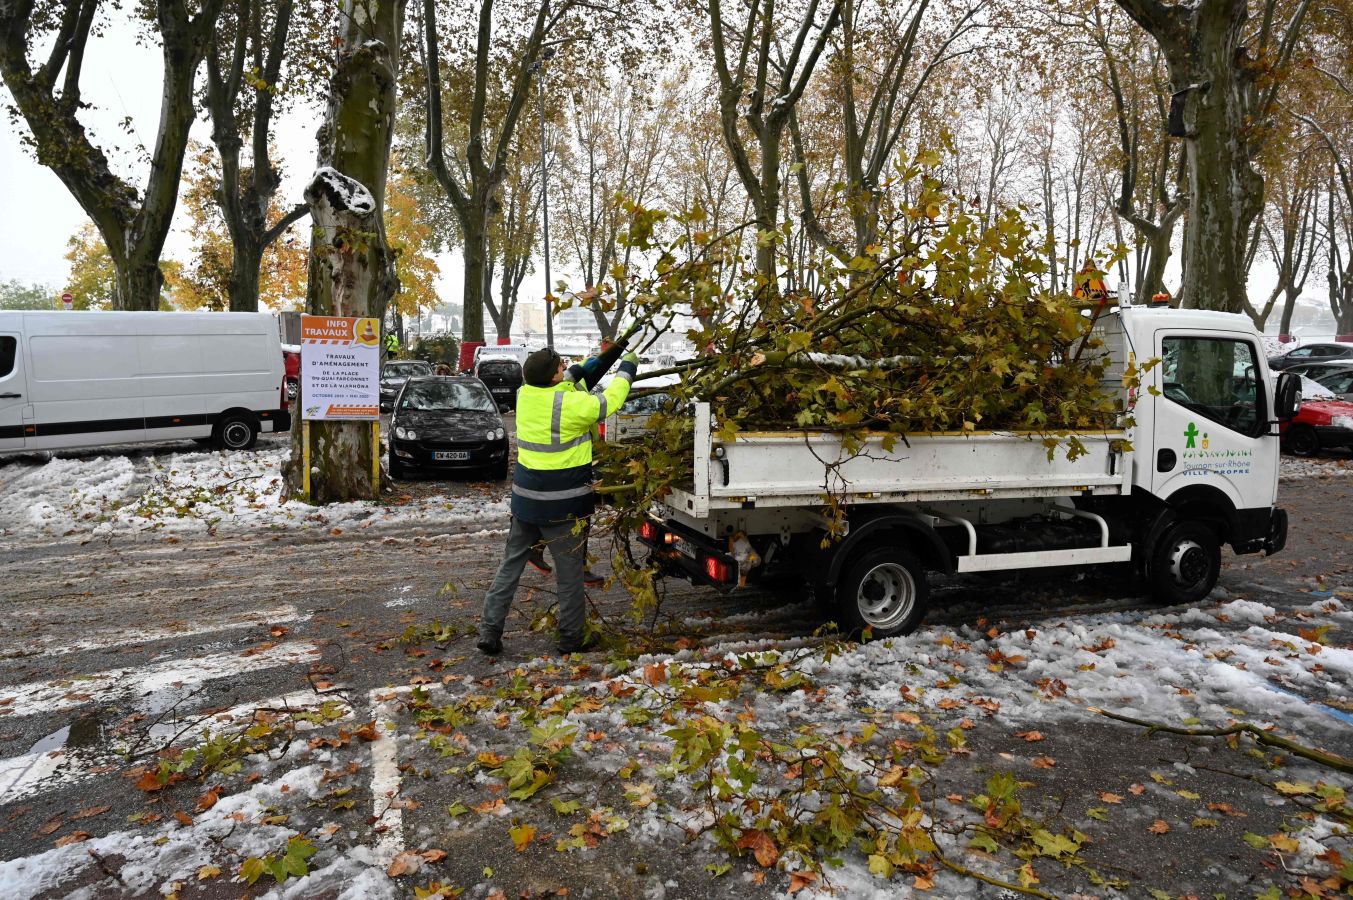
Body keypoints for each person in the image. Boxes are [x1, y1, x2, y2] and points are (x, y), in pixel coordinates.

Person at [477, 343, 638, 656]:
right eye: (560, 368)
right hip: (563, 507)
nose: (566, 370)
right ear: (553, 378)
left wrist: (604, 356)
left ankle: (489, 632)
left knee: (509, 568)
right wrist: (627, 366)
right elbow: (611, 400)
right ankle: (570, 639)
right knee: (570, 576)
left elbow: (574, 375)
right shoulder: (573, 403)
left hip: (526, 503)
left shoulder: (525, 394)